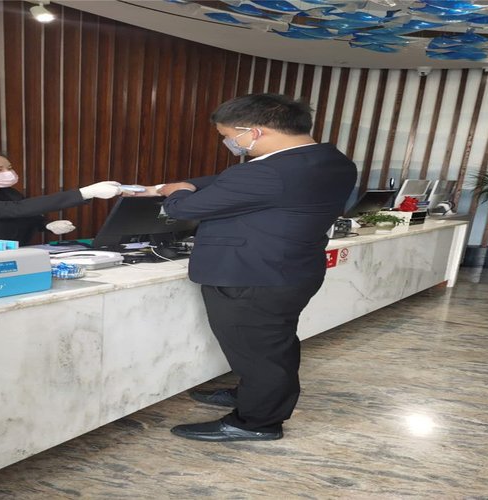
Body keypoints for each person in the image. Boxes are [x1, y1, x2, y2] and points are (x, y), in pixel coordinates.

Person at [127, 93, 357, 442]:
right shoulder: (329, 160)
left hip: (250, 276)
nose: (229, 143)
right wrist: (177, 185)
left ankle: (256, 422)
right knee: (272, 345)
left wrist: (175, 191)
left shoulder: (268, 172)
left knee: (259, 353)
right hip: (290, 270)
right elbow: (227, 181)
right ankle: (253, 394)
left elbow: (183, 209)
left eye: (228, 135)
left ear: (255, 131)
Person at [0, 149, 121, 245]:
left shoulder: (7, 192)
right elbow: (11, 210)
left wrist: (45, 225)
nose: (7, 173)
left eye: (9, 168)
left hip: (9, 256)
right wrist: (84, 193)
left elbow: (23, 215)